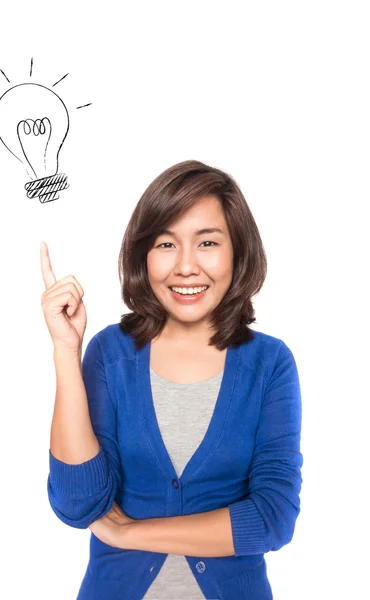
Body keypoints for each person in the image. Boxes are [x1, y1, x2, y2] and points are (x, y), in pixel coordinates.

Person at [41, 159, 303, 600]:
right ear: (143, 254)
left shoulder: (270, 364)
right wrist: (67, 351)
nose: (185, 266)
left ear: (237, 251)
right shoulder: (110, 354)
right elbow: (78, 503)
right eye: (166, 243)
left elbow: (273, 518)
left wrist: (130, 534)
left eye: (207, 242)